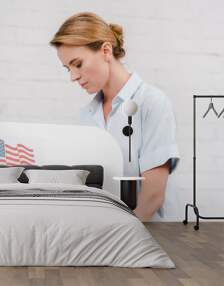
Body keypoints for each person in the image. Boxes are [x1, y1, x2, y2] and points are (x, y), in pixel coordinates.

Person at [49, 12, 180, 221]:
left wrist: (116, 240)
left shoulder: (152, 102)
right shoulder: (87, 116)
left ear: (106, 50)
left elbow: (153, 197)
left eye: (78, 64)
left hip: (150, 237)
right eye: (68, 69)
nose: (73, 77)